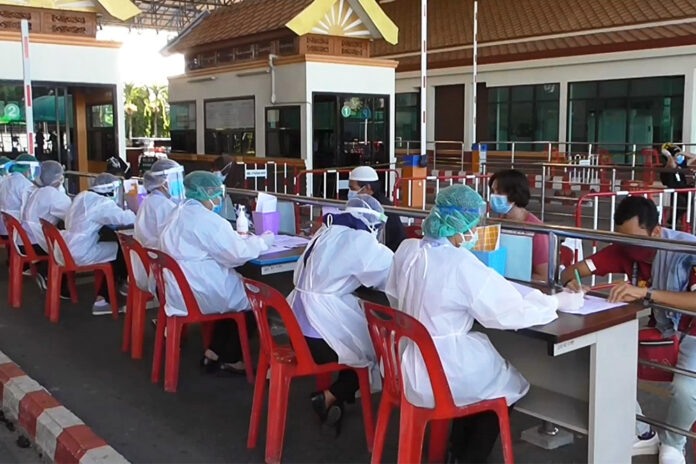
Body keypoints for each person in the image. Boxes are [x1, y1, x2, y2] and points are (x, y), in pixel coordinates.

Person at [385, 184, 579, 463]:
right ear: (458, 225)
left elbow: (393, 294)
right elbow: (508, 312)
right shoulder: (460, 264)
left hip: (403, 366)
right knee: (506, 386)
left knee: (478, 384)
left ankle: (456, 450)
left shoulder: (407, 249)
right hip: (440, 370)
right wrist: (557, 303)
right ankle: (468, 457)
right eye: (473, 226)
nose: (474, 233)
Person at [561, 196, 696, 464]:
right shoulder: (624, 248)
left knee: (685, 388)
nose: (628, 249)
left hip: (692, 332)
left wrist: (647, 293)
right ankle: (642, 433)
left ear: (656, 232)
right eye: (623, 240)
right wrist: (575, 282)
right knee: (598, 361)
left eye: (634, 240)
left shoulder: (687, 250)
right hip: (661, 329)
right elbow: (575, 271)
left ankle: (673, 443)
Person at [288, 194, 393, 431]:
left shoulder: (326, 232)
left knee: (361, 345)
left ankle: (333, 398)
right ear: (373, 223)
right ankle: (332, 395)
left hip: (296, 330)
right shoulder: (359, 241)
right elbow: (391, 274)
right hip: (319, 335)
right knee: (376, 351)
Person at [158, 171, 274, 374]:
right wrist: (263, 241)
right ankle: (233, 358)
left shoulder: (177, 212)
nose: (220, 198)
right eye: (216, 193)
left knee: (233, 297)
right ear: (207, 193)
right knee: (254, 298)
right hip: (200, 290)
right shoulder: (206, 220)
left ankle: (213, 351)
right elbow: (237, 254)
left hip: (179, 290)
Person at [62, 173, 135, 315]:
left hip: (65, 247)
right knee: (122, 249)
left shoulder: (82, 195)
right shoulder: (102, 203)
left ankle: (120, 283)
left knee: (115, 247)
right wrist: (134, 205)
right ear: (111, 190)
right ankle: (103, 299)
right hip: (81, 251)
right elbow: (127, 218)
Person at [133, 159, 184, 292]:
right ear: (164, 182)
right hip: (157, 269)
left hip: (147, 265)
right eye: (175, 178)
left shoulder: (149, 201)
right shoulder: (163, 206)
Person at [489, 169, 549, 281]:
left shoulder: (537, 230)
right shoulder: (497, 223)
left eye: (499, 192)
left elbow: (543, 276)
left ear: (513, 193)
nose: (493, 196)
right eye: (493, 191)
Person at [21, 160, 71, 289]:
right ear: (58, 178)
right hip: (35, 243)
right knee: (70, 244)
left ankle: (44, 271)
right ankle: (55, 281)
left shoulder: (38, 191)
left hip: (25, 240)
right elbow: (71, 215)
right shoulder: (52, 194)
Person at [348, 166, 406, 252]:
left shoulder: (380, 208)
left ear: (367, 187)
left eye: (353, 189)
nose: (350, 192)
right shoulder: (365, 204)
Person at [0, 154, 40, 239]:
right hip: (17, 232)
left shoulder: (5, 180)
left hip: (4, 228)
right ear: (29, 169)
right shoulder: (25, 184)